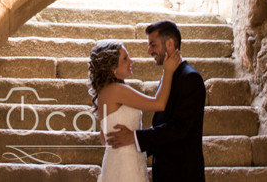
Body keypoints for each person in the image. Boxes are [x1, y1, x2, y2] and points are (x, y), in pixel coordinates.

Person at [104, 20, 206, 182]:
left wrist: (135, 138)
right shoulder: (169, 74)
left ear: (170, 44)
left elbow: (179, 128)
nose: (149, 51)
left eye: (153, 45)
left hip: (182, 174)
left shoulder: (190, 78)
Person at [88, 39, 182, 181]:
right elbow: (159, 104)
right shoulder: (117, 90)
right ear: (112, 67)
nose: (131, 61)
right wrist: (168, 71)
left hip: (117, 163)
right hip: (126, 166)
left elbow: (104, 139)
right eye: (125, 58)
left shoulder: (105, 92)